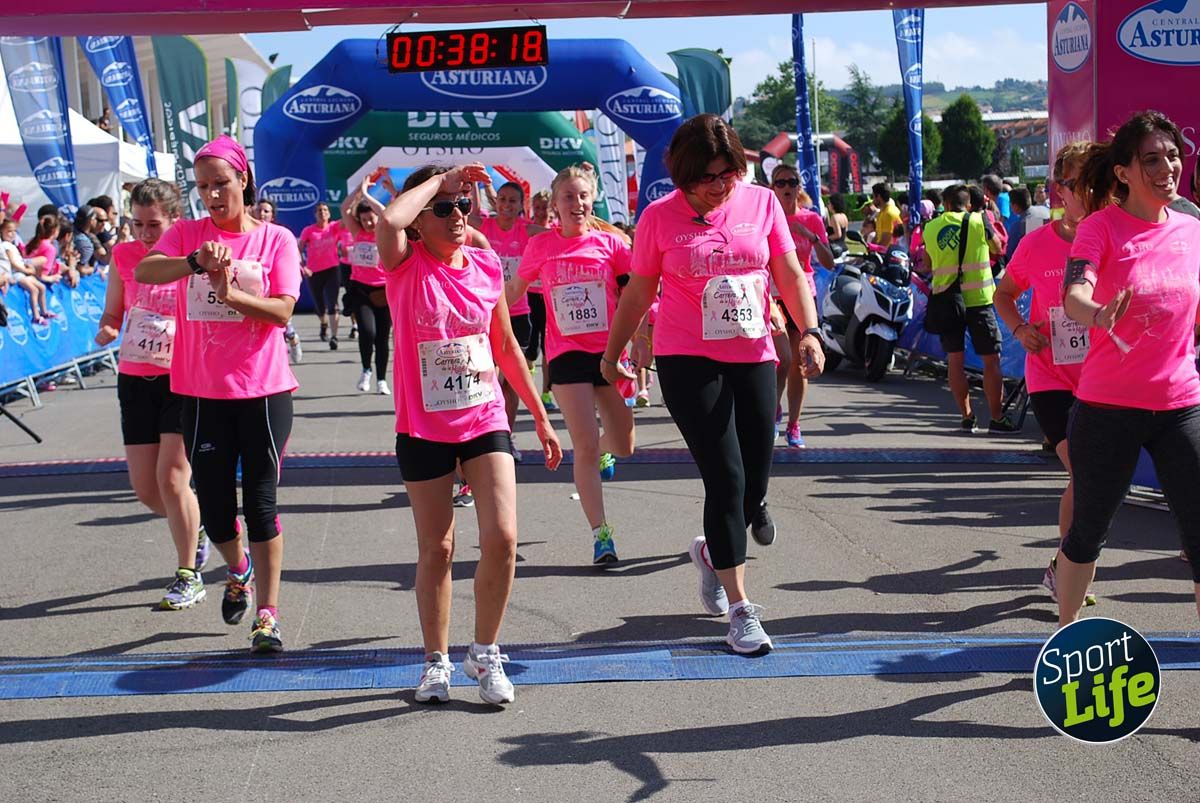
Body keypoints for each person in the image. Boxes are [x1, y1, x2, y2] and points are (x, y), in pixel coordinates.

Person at [602, 114, 824, 655]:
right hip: (687, 359)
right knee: (725, 478)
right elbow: (638, 291)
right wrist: (613, 353)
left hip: (753, 352)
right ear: (682, 175)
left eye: (728, 174)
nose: (718, 186)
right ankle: (741, 609)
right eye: (705, 178)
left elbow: (790, 273)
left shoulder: (762, 203)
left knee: (755, 480)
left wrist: (810, 332)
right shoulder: (659, 217)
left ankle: (710, 552)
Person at [374, 162, 563, 704]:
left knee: (502, 537)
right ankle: (436, 662)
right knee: (437, 548)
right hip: (424, 426)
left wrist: (540, 416)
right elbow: (388, 222)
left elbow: (504, 345)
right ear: (419, 219)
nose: (457, 214)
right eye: (443, 208)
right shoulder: (403, 264)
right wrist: (440, 181)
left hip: (484, 417)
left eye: (463, 204)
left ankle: (485, 652)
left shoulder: (484, 264)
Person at [136, 135, 301, 653]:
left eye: (221, 184)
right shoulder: (188, 233)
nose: (211, 195)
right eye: (203, 186)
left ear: (243, 180)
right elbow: (145, 270)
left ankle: (268, 616)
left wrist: (231, 294)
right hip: (202, 392)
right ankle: (238, 567)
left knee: (261, 505)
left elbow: (283, 311)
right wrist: (192, 263)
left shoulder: (275, 239)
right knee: (214, 509)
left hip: (263, 389)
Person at [1054, 111, 1200, 627]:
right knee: (1087, 533)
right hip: (1108, 408)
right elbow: (1074, 293)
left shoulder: (1193, 230)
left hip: (1181, 405)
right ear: (1123, 172)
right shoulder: (1100, 227)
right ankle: (1067, 637)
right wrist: (1097, 313)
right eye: (1151, 159)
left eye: (1173, 156)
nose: (1167, 168)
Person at [505, 165, 635, 565]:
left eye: (582, 196)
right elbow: (514, 290)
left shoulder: (613, 245)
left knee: (623, 445)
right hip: (565, 356)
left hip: (609, 354)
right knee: (584, 443)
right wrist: (479, 313)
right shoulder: (541, 245)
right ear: (555, 204)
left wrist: (638, 344)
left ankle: (605, 454)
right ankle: (601, 535)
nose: (576, 203)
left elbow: (635, 296)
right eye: (568, 196)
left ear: (592, 199)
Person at [94, 178, 207, 610]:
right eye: (137, 224)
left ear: (175, 220)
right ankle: (197, 524)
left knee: (173, 478)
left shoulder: (188, 258)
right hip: (135, 377)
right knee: (146, 490)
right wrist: (108, 328)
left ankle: (188, 574)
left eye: (153, 225)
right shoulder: (123, 255)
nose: (144, 233)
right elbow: (113, 311)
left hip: (182, 378)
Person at [993, 142, 1096, 608]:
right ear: (1060, 190)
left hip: (1101, 379)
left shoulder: (1112, 239)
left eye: (1096, 183)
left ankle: (1064, 567)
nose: (1088, 193)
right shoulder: (1037, 244)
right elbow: (1003, 294)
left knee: (1090, 480)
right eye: (1078, 184)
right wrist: (1020, 329)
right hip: (1051, 376)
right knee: (1085, 473)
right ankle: (1068, 569)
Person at [924, 185, 1018, 434]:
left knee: (955, 360)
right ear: (967, 204)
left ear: (945, 203)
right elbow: (998, 247)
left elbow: (927, 262)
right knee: (991, 360)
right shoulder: (978, 221)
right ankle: (997, 418)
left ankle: (967, 416)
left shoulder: (930, 227)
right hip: (979, 301)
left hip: (947, 300)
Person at [469, 181, 547, 460]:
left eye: (512, 201)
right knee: (484, 380)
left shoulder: (526, 230)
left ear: (520, 205)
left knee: (510, 383)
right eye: (502, 199)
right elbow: (457, 218)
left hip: (518, 315)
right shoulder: (483, 226)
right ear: (496, 201)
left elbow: (558, 235)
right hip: (484, 315)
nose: (506, 205)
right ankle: (479, 439)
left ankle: (506, 438)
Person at [770, 165, 833, 448]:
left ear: (798, 187)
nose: (786, 187)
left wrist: (811, 236)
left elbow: (829, 262)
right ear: (772, 188)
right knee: (781, 360)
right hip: (772, 297)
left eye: (791, 181)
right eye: (780, 182)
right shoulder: (768, 217)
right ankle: (773, 411)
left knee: (798, 363)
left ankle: (793, 425)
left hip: (801, 295)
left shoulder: (811, 219)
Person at [341, 177, 393, 394]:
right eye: (363, 220)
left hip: (384, 291)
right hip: (361, 289)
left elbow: (384, 212)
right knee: (367, 332)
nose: (368, 223)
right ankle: (366, 370)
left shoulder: (384, 231)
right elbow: (344, 209)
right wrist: (359, 190)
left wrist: (367, 196)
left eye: (370, 219)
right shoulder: (358, 233)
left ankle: (381, 379)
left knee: (382, 337)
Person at [525, 188, 557, 410]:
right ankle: (528, 390)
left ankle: (546, 394)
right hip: (527, 296)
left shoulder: (556, 232)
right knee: (529, 347)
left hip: (549, 297)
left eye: (544, 207)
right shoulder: (526, 231)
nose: (540, 212)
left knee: (548, 348)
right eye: (537, 207)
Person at [298, 202, 342, 350]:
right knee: (319, 306)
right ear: (315, 215)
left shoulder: (334, 227)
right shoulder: (309, 231)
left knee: (332, 303)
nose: (322, 213)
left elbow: (348, 217)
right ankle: (324, 323)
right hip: (314, 272)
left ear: (329, 214)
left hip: (332, 270)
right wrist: (303, 267)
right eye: (319, 211)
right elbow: (298, 250)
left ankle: (334, 336)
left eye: (325, 210)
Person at [0, 218, 49, 322]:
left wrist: (27, 269)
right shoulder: (5, 245)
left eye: (14, 231)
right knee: (34, 290)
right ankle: (36, 316)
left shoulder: (12, 245)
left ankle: (44, 312)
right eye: (9, 231)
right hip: (17, 274)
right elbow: (13, 263)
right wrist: (25, 270)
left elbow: (20, 261)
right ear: (2, 231)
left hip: (21, 272)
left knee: (42, 287)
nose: (12, 234)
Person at [871, 183, 902, 250]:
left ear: (878, 196)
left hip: (890, 253)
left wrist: (873, 251)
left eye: (873, 196)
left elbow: (885, 242)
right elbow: (877, 237)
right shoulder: (882, 212)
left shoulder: (889, 214)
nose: (872, 200)